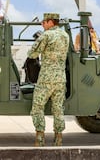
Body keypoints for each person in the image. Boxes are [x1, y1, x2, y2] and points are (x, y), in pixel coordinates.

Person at [27, 13, 69, 147]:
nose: (42, 24)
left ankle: (40, 138)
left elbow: (32, 54)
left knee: (37, 108)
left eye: (44, 22)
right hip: (61, 79)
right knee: (58, 109)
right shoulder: (65, 35)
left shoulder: (45, 35)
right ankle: (58, 139)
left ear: (51, 22)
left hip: (46, 78)